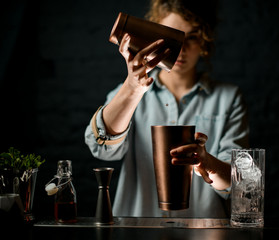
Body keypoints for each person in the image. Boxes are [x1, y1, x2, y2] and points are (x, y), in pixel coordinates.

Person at [85, 0, 249, 218]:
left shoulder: (228, 98)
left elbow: (237, 184)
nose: (182, 49)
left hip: (204, 231)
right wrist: (132, 88)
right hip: (136, 231)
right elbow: (101, 149)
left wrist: (207, 161)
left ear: (205, 41)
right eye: (173, 37)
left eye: (192, 37)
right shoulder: (126, 93)